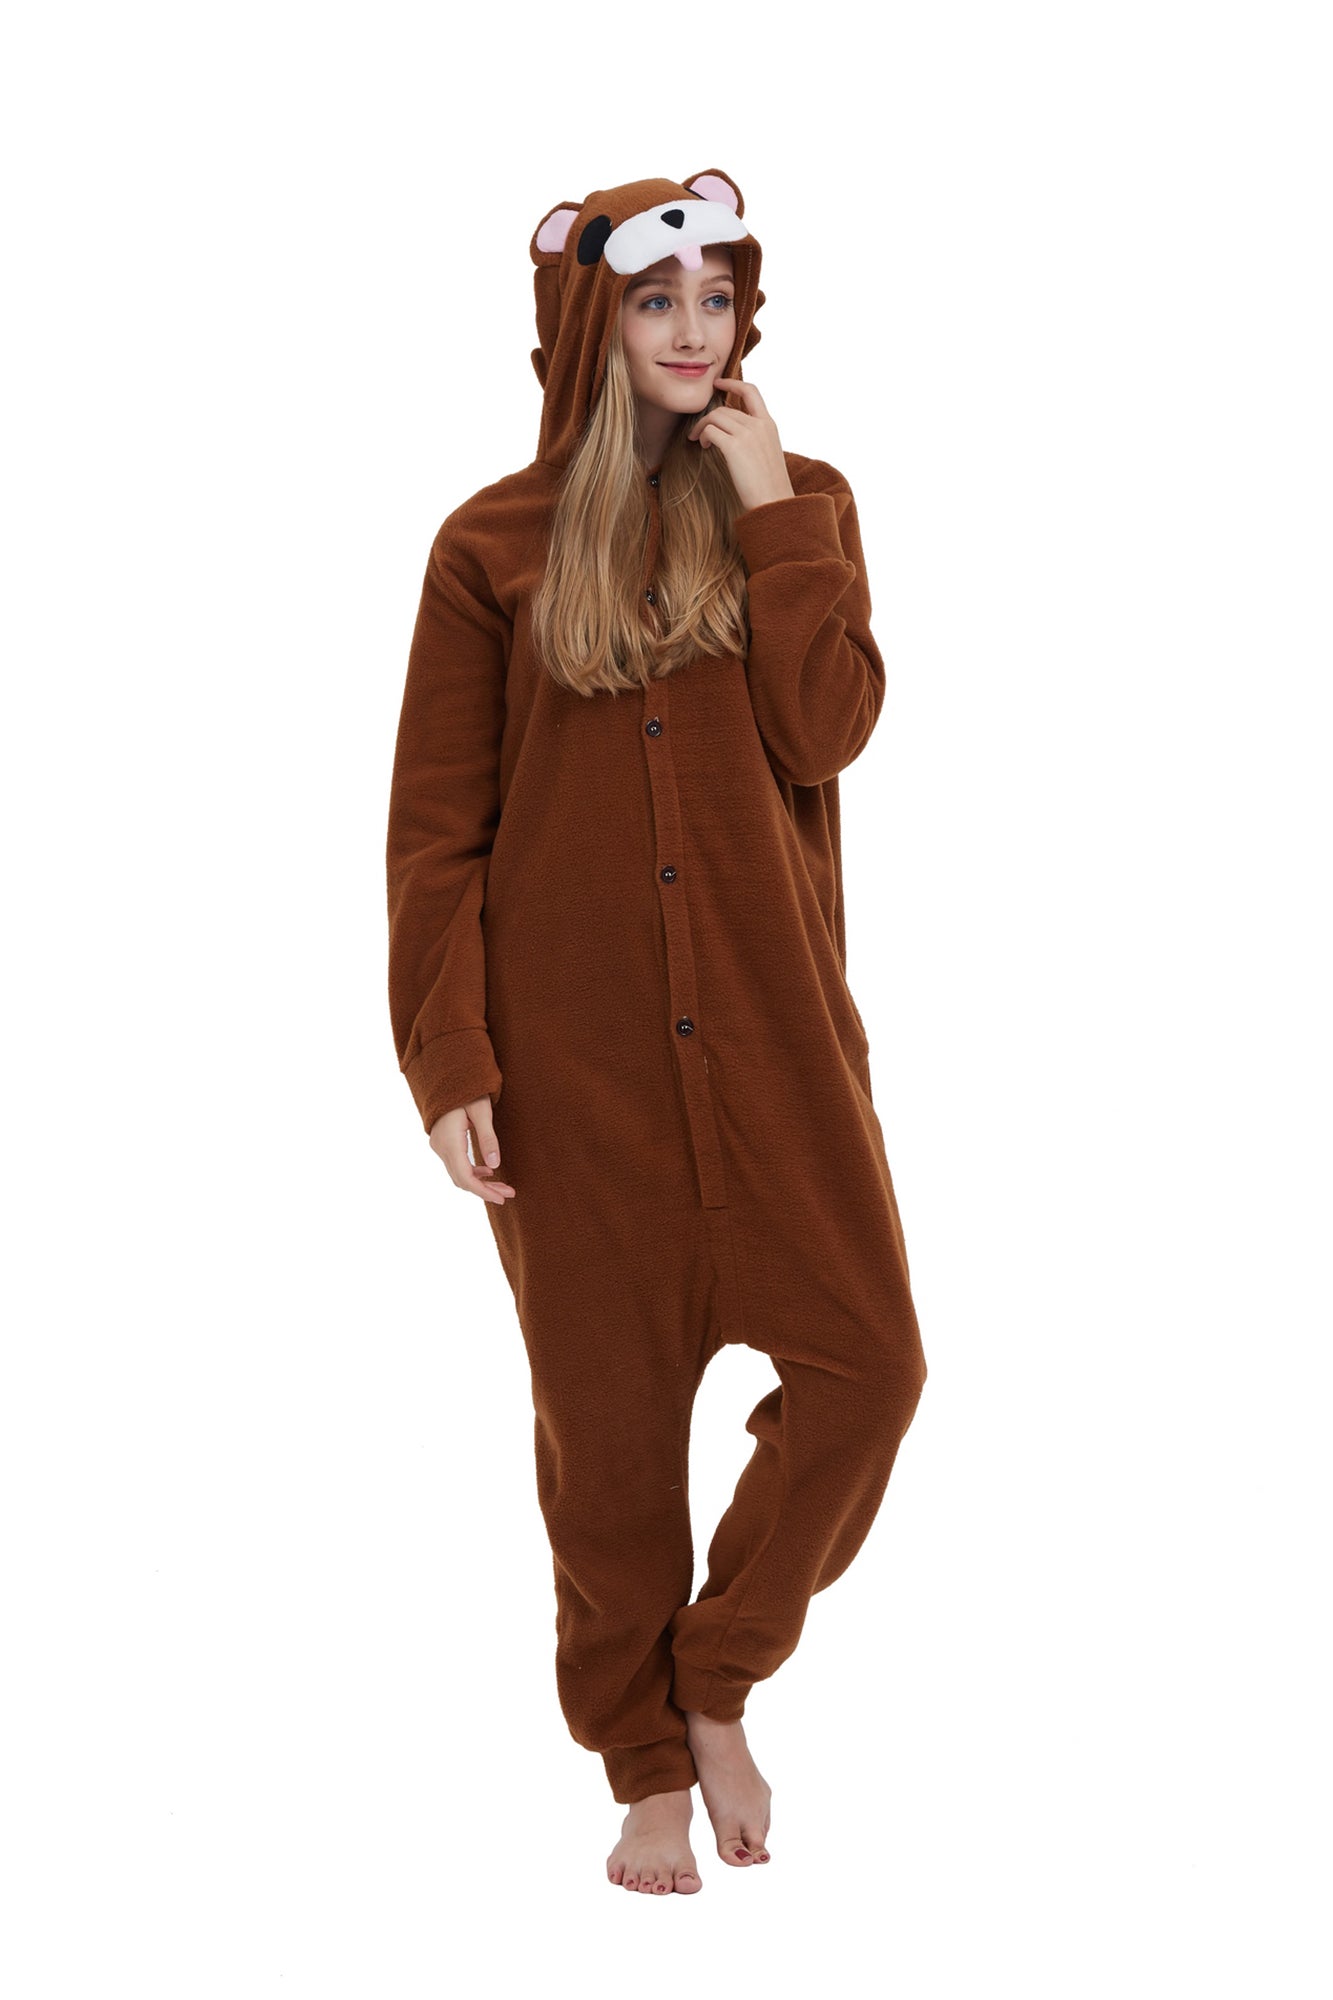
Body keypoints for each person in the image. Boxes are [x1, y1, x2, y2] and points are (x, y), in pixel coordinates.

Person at [385, 168, 928, 1897]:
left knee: (870, 1368)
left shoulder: (802, 499)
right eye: (655, 301)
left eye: (717, 300)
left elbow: (826, 730)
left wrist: (770, 515)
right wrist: (449, 1058)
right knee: (607, 1446)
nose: (696, 332)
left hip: (777, 1049)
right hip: (577, 1074)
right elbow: (437, 831)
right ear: (589, 322)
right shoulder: (490, 545)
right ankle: (639, 1763)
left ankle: (716, 1676)